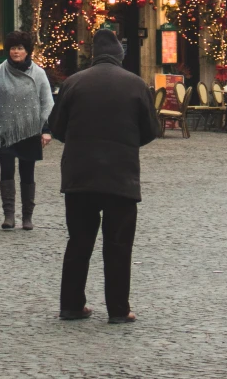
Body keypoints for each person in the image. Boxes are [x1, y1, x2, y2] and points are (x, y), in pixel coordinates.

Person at [49, 29, 158, 324]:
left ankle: (72, 305)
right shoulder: (136, 85)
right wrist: (127, 143)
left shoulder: (73, 83)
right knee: (119, 245)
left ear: (93, 55)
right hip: (120, 175)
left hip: (80, 175)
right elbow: (151, 130)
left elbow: (56, 127)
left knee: (78, 242)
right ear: (120, 55)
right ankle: (119, 310)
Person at [0, 30, 54, 231]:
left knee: (27, 172)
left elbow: (46, 102)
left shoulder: (38, 73)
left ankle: (27, 216)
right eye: (12, 48)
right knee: (6, 171)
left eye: (20, 48)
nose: (15, 52)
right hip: (6, 130)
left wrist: (45, 129)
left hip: (30, 130)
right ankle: (9, 215)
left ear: (27, 51)